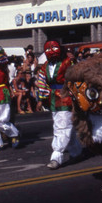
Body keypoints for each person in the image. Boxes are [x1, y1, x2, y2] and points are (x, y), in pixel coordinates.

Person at [37, 40, 82, 170]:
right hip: (52, 98)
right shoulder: (45, 66)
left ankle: (56, 156)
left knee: (62, 127)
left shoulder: (68, 62)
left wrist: (74, 61)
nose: (51, 51)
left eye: (54, 48)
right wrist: (41, 99)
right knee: (65, 125)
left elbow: (77, 75)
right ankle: (76, 151)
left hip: (65, 96)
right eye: (48, 49)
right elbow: (42, 81)